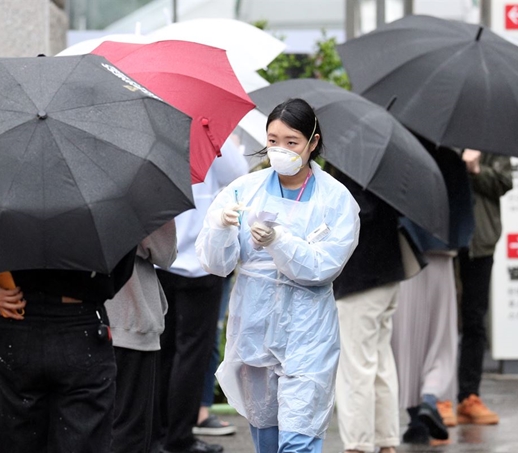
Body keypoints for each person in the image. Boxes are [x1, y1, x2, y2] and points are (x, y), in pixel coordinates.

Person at [195, 98, 360, 453]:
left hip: (307, 335)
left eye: (291, 142)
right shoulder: (244, 189)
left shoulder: (335, 199)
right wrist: (220, 228)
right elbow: (216, 264)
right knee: (266, 436)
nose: (280, 150)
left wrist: (279, 241)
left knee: (299, 437)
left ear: (312, 143)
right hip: (254, 331)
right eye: (272, 141)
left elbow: (322, 266)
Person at [0, 248, 136, 453]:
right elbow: (123, 260)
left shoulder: (9, 215)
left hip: (20, 318)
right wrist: (96, 290)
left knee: (17, 438)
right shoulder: (100, 216)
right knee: (84, 438)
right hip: (79, 319)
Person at [156, 137, 248, 453]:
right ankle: (178, 438)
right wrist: (224, 141)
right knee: (192, 353)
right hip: (201, 260)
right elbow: (239, 172)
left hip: (160, 255)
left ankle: (157, 434)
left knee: (160, 350)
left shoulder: (155, 124)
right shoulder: (209, 131)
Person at [391, 142, 475, 445]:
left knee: (407, 340)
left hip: (405, 258)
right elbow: (466, 214)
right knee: (439, 339)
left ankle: (415, 419)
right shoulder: (451, 157)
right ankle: (430, 398)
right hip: (440, 257)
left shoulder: (399, 152)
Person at [330, 167, 417, 453]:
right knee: (379, 362)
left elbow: (356, 212)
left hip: (361, 276)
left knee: (357, 366)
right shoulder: (387, 163)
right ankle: (386, 441)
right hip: (387, 271)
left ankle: (358, 444)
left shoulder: (352, 166)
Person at [105, 220, 177, 453]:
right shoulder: (140, 187)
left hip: (70, 319)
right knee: (128, 429)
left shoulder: (48, 190)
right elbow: (164, 253)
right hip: (128, 317)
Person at [456, 149, 512, 425]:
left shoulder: (492, 140)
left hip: (481, 242)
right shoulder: (439, 135)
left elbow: (504, 182)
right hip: (447, 242)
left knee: (474, 320)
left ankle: (469, 395)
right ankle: (435, 397)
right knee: (440, 323)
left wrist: (476, 169)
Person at [193, 271, 237, 437]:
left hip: (214, 268)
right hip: (205, 267)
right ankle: (200, 413)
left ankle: (200, 411)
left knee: (207, 338)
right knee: (208, 338)